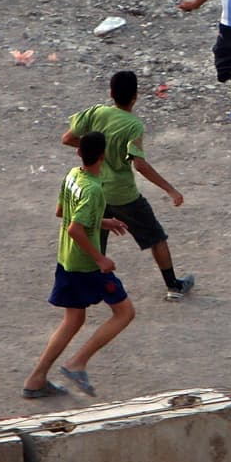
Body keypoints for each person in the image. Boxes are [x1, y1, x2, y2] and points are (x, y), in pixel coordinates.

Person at [62, 70, 195, 302]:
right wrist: (170, 189)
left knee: (96, 239)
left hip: (94, 188)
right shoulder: (134, 126)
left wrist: (94, 152)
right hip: (123, 194)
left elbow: (68, 138)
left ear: (111, 93)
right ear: (135, 96)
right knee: (155, 237)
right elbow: (140, 165)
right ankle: (173, 286)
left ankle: (86, 287)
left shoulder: (96, 112)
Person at [22, 131, 135, 399]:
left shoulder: (73, 176)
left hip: (66, 259)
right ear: (103, 156)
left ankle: (36, 379)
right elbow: (75, 228)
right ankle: (77, 363)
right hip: (86, 266)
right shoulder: (95, 189)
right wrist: (101, 258)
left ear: (79, 153)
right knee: (125, 312)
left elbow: (62, 213)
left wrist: (102, 221)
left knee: (73, 319)